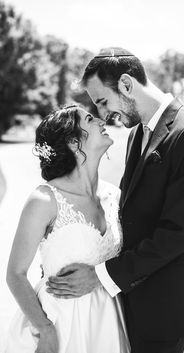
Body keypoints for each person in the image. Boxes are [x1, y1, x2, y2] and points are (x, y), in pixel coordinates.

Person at [46, 48, 184, 353]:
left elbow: (175, 235)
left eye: (101, 101)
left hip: (167, 306)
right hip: (132, 300)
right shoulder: (137, 133)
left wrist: (100, 276)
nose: (101, 114)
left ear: (126, 84)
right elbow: (132, 214)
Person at [5, 105, 130, 353]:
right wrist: (46, 329)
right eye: (90, 119)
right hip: (61, 324)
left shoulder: (114, 196)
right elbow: (15, 273)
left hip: (111, 323)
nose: (102, 121)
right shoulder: (44, 199)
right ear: (74, 142)